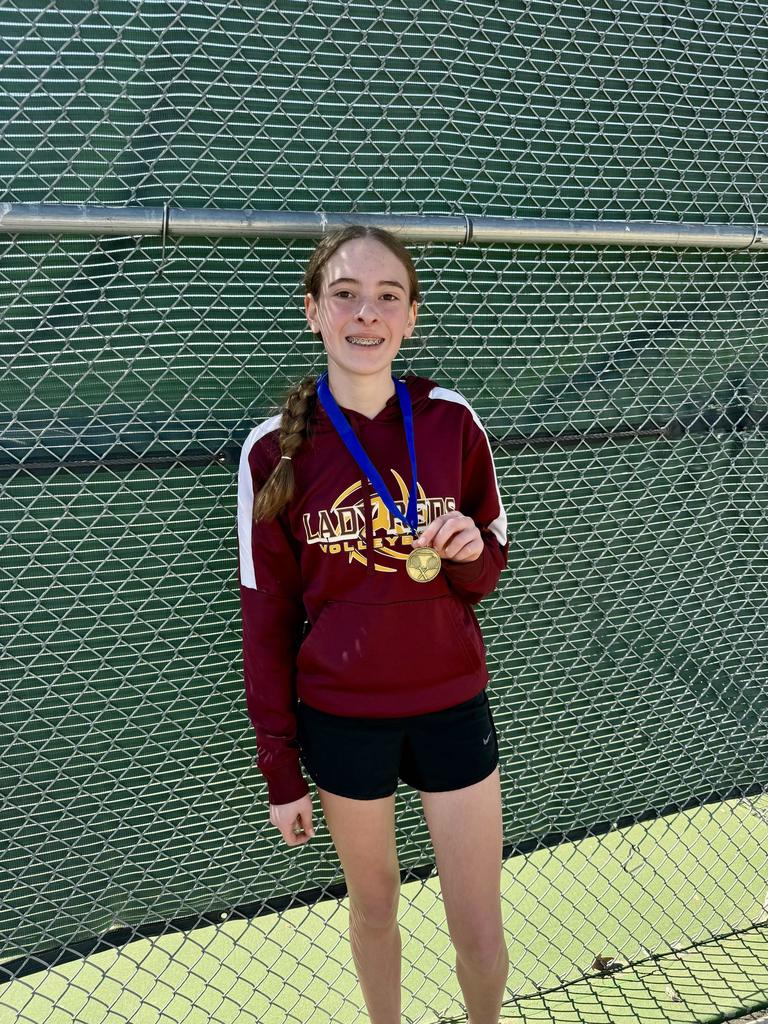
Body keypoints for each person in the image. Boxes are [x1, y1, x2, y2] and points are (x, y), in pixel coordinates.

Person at [237, 224, 510, 1024]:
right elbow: (267, 617)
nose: (367, 313)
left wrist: (462, 550)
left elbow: (487, 574)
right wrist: (280, 767)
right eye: (346, 295)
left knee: (479, 930)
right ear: (314, 312)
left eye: (388, 296)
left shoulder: (452, 421)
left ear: (412, 316)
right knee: (374, 906)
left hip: (453, 707)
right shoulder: (271, 452)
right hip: (344, 720)